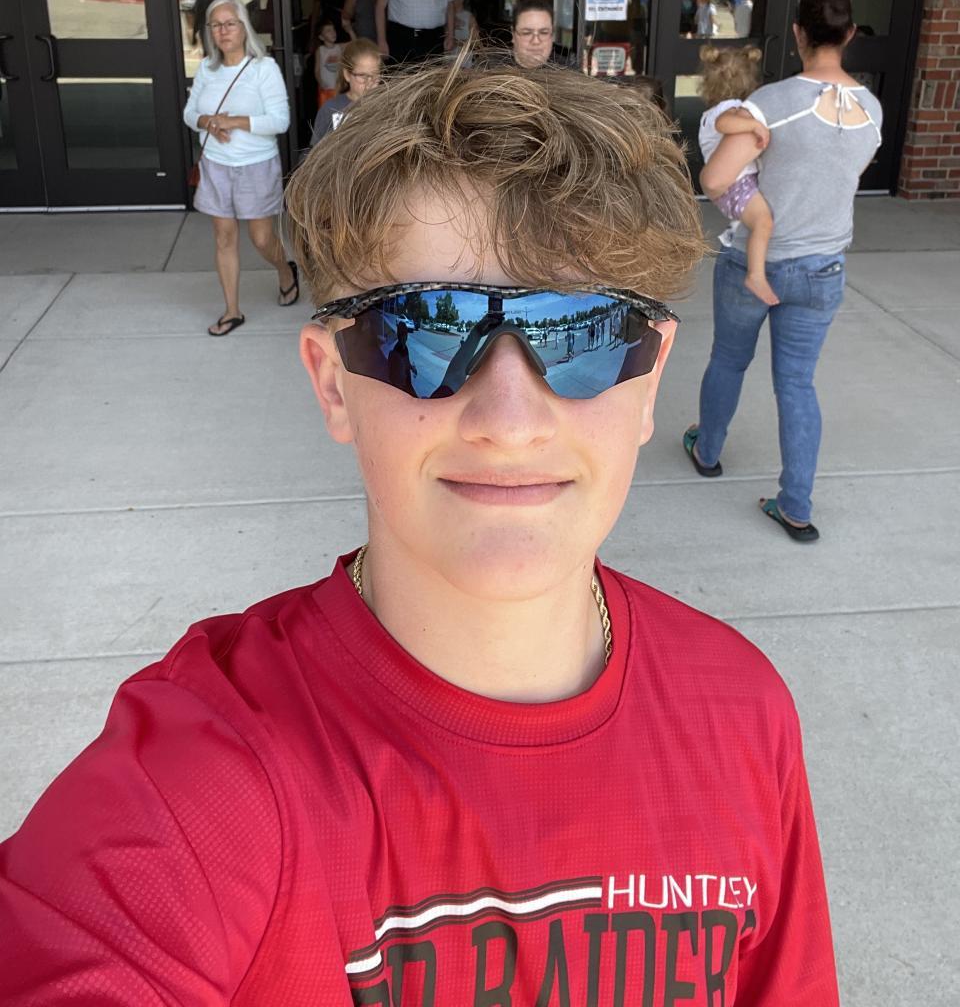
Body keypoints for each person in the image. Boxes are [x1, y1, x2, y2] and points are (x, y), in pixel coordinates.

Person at [0, 65, 841, 1005]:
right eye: (427, 332)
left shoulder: (746, 715)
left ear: (649, 380)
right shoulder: (203, 780)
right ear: (332, 384)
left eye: (586, 333)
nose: (509, 421)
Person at [685, 0, 882, 544]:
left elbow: (715, 178)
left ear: (798, 33)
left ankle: (707, 450)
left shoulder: (772, 102)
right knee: (797, 384)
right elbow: (847, 174)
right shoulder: (871, 108)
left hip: (757, 262)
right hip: (823, 268)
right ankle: (795, 505)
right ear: (849, 35)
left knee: (728, 360)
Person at [181, 0, 298, 336]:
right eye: (216, 25)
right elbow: (189, 113)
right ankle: (232, 311)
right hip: (216, 165)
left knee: (261, 239)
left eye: (230, 23)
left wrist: (234, 122)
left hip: (256, 165)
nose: (223, 31)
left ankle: (285, 270)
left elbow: (280, 121)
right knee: (224, 237)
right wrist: (207, 121)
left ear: (244, 27)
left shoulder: (263, 68)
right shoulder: (207, 68)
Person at [698, 44, 778, 306]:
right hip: (737, 185)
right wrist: (754, 125)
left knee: (756, 221)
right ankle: (756, 275)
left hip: (732, 186)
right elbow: (724, 124)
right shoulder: (730, 109)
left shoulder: (711, 112)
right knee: (763, 222)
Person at [309, 36, 381, 144]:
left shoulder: (385, 106)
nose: (369, 82)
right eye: (363, 76)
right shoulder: (330, 109)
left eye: (375, 75)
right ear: (347, 75)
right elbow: (315, 150)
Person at [511, 0, 556, 68]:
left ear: (552, 35)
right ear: (513, 34)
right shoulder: (495, 71)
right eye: (527, 33)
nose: (536, 41)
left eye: (544, 33)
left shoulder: (567, 71)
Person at [313, 17, 342, 109]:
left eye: (333, 29)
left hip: (339, 89)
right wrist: (321, 83)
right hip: (326, 89)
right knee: (327, 113)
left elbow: (354, 42)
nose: (333, 32)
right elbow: (317, 70)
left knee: (339, 113)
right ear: (321, 37)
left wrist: (349, 30)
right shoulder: (320, 50)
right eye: (328, 31)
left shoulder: (339, 47)